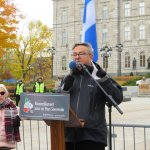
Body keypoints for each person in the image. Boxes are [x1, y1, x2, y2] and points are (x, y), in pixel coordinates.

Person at [62, 43, 123, 150]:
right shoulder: (69, 78)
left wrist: (103, 79)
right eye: (75, 54)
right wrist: (63, 89)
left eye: (81, 54)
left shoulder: (100, 76)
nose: (77, 57)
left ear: (91, 56)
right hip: (68, 136)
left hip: (93, 136)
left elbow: (117, 98)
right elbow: (57, 103)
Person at [0, 84, 21, 149]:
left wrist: (18, 117)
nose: (0, 95)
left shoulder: (12, 106)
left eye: (2, 93)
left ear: (5, 94)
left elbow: (26, 111)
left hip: (7, 144)